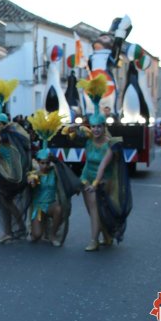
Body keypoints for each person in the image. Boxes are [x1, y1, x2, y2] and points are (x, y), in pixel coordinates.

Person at [63, 74, 132, 251]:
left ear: (104, 127)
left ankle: (94, 240)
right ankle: (105, 236)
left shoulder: (111, 143)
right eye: (93, 126)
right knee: (92, 210)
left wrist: (95, 183)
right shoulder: (88, 138)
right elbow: (72, 136)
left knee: (98, 209)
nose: (96, 129)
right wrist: (71, 129)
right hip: (87, 176)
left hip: (103, 179)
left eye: (99, 126)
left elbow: (102, 166)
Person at [0, 78, 32, 244]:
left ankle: (14, 229)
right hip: (4, 175)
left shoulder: (7, 135)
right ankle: (12, 230)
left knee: (6, 202)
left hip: (12, 176)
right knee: (5, 203)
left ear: (5, 124)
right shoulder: (8, 132)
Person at [26, 110, 81, 247]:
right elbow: (31, 181)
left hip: (51, 206)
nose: (44, 165)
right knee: (36, 237)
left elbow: (66, 175)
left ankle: (52, 234)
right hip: (38, 207)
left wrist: (75, 187)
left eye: (46, 162)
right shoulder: (34, 173)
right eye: (42, 163)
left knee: (58, 209)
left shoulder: (55, 171)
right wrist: (33, 181)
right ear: (38, 162)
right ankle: (37, 228)